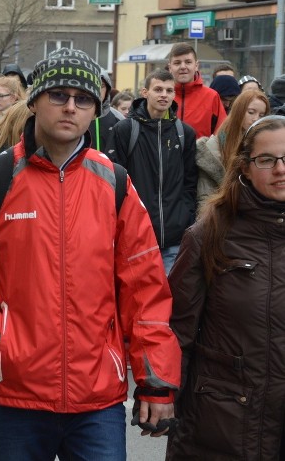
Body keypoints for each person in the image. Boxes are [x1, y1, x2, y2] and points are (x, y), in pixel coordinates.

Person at [0, 48, 180, 458]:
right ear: (34, 102)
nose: (70, 107)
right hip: (15, 393)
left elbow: (146, 288)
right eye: (58, 95)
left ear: (95, 110)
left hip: (96, 398)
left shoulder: (114, 183)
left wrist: (156, 379)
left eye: (82, 99)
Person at [167, 114, 285, 459]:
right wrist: (162, 398)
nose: (280, 169)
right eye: (266, 160)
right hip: (223, 424)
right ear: (244, 167)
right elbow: (177, 331)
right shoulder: (210, 234)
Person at [110, 69, 197, 274]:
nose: (164, 95)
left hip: (174, 236)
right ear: (145, 92)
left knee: (170, 298)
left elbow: (190, 181)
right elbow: (113, 179)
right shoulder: (125, 130)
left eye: (169, 90)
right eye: (158, 89)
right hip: (136, 235)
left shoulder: (184, 132)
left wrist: (186, 215)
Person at [195, 89, 270, 206]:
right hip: (222, 215)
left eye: (262, 115)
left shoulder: (266, 145)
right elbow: (205, 197)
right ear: (238, 112)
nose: (256, 119)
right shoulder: (213, 148)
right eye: (251, 112)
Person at [168, 42, 227, 137]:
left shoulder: (211, 97)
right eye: (177, 63)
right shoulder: (162, 97)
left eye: (188, 62)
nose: (183, 67)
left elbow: (222, 135)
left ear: (196, 66)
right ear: (170, 67)